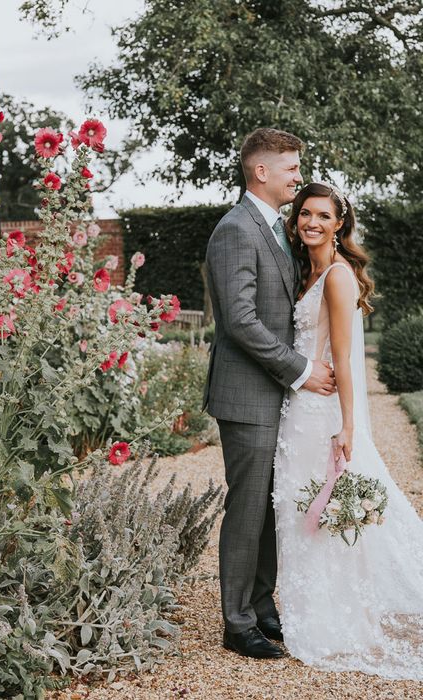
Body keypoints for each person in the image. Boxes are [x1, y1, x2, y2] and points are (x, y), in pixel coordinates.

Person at [273, 182, 423, 679]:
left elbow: (344, 356)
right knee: (301, 512)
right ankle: (313, 612)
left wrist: (348, 426)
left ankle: (334, 621)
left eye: (322, 216)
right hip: (298, 408)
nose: (311, 222)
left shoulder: (336, 276)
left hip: (322, 413)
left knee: (323, 512)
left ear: (340, 224)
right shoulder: (306, 270)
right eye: (304, 215)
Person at [203, 128, 336, 659]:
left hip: (273, 394)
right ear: (262, 172)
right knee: (248, 507)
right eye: (291, 168)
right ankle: (237, 623)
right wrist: (301, 370)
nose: (298, 177)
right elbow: (239, 321)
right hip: (246, 395)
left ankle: (261, 606)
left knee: (269, 507)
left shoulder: (276, 228)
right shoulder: (236, 229)